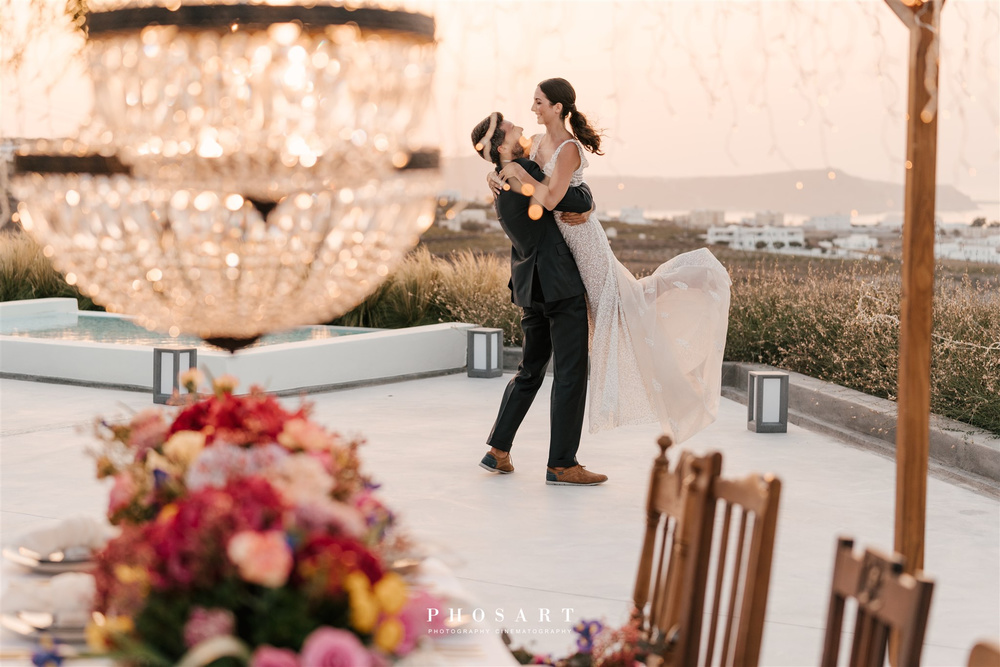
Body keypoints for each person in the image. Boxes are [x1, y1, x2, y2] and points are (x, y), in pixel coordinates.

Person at [490, 78, 732, 442]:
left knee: (623, 306)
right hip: (564, 249)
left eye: (538, 102)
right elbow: (520, 170)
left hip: (584, 241)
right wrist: (494, 172)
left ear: (558, 107)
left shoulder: (569, 147)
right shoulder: (537, 143)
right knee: (618, 310)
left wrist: (581, 201)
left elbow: (553, 198)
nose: (532, 109)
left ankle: (693, 285)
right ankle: (558, 458)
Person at [470, 111, 608, 487]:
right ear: (501, 146)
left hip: (531, 287)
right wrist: (587, 199)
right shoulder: (520, 173)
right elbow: (572, 197)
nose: (521, 127)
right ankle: (562, 464)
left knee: (530, 371)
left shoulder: (504, 179)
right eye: (513, 128)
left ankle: (497, 451)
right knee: (570, 373)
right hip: (560, 285)